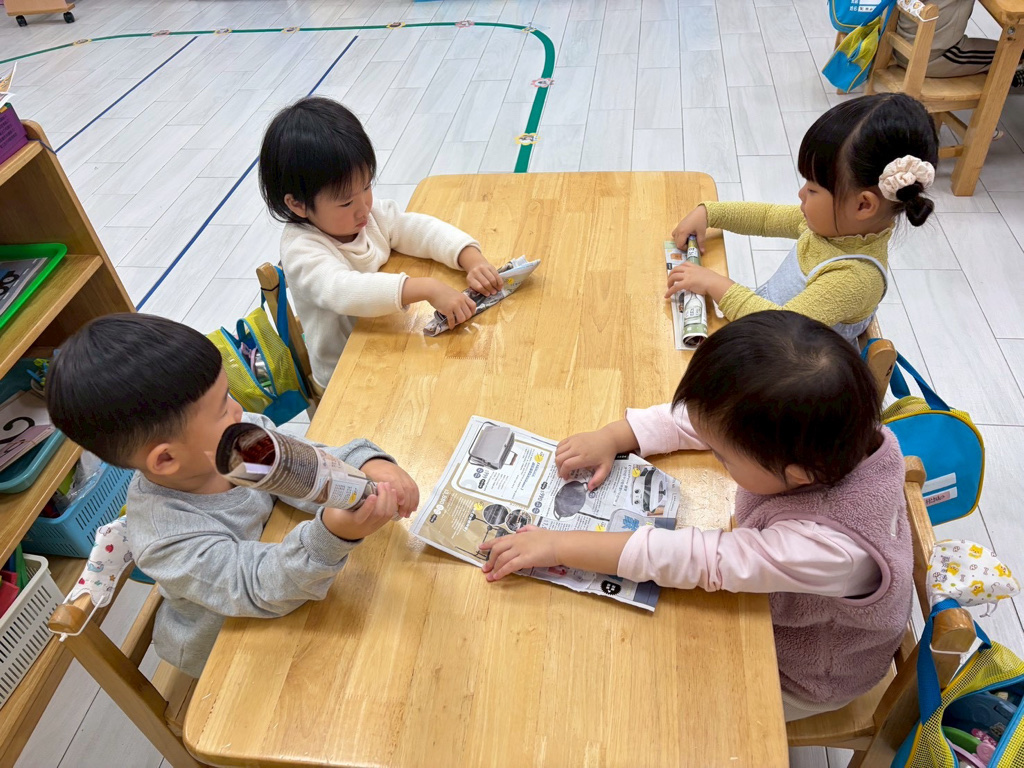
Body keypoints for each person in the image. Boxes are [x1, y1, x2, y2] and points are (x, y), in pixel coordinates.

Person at [480, 312, 913, 721]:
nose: (715, 453)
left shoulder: (827, 550)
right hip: (786, 604)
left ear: (797, 475)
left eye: (723, 457)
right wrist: (614, 436)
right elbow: (702, 420)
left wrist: (557, 544)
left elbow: (698, 559)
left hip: (806, 673)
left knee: (653, 700)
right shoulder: (834, 433)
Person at [47, 314, 419, 678]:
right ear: (166, 459)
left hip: (291, 582)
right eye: (223, 407)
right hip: (229, 643)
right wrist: (333, 535)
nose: (240, 411)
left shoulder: (232, 442)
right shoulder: (166, 537)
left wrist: (366, 463)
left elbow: (306, 466)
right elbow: (256, 585)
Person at [258, 96, 503, 392]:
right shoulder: (301, 249)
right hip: (345, 376)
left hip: (387, 342)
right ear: (297, 204)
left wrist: (469, 257)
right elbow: (343, 290)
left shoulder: (365, 214)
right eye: (346, 202)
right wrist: (427, 287)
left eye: (366, 187)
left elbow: (415, 228)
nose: (364, 207)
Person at [666, 93, 939, 345]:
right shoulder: (835, 229)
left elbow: (780, 328)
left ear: (863, 205)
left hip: (789, 363)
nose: (801, 193)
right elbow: (766, 218)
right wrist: (710, 213)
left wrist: (715, 284)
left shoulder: (853, 278)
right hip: (766, 331)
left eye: (813, 189)